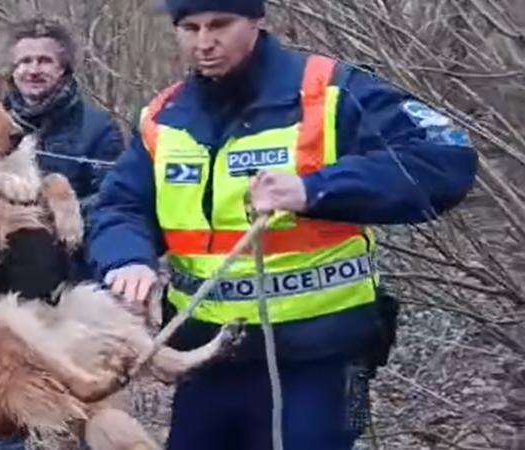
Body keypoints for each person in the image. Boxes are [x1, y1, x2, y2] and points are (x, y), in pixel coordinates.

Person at [87, 1, 478, 449]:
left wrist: (316, 189)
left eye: (220, 24)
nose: (204, 42)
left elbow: (446, 159)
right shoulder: (165, 116)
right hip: (207, 357)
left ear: (256, 20)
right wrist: (127, 259)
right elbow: (121, 204)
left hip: (320, 358)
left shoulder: (329, 91)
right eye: (189, 28)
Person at [3, 17, 125, 220]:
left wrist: (58, 210)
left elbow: (111, 197)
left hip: (71, 240)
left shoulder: (99, 129)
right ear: (13, 70)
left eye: (44, 61)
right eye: (25, 61)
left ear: (63, 69)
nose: (33, 70)